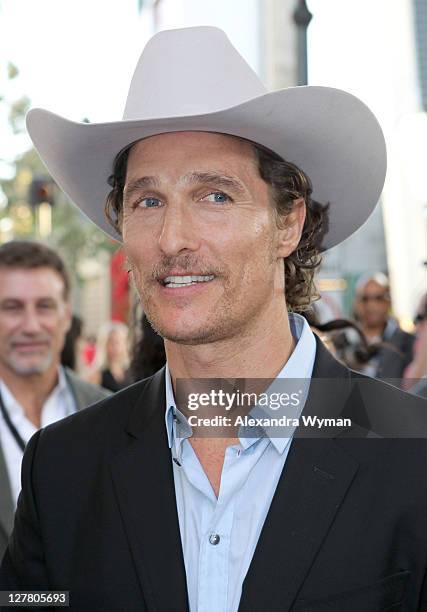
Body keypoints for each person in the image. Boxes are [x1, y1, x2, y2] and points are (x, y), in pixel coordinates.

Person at [2, 27, 427, 611]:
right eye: (147, 201)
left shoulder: (412, 450)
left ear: (288, 223)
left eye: (215, 196)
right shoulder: (63, 467)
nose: (173, 239)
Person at [0, 241, 110, 560]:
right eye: (12, 307)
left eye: (45, 306)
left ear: (65, 317)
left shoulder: (114, 414)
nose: (31, 326)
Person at [352, 272, 415, 379]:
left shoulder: (407, 342)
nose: (371, 305)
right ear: (356, 302)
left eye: (378, 298)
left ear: (389, 301)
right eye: (365, 298)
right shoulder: (344, 341)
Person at [86, 321, 131, 392]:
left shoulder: (131, 371)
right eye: (112, 342)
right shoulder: (98, 375)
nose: (116, 347)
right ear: (105, 345)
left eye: (119, 342)